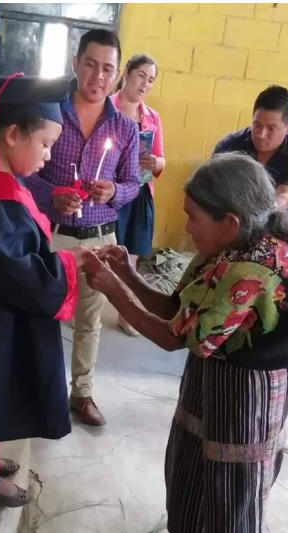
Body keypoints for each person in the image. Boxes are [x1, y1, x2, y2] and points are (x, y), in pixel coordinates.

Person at [81, 152, 288, 533]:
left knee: (229, 482)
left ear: (230, 221)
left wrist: (112, 290)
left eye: (193, 217)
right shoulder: (223, 249)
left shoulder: (249, 270)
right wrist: (127, 273)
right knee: (203, 467)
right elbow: (175, 309)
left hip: (247, 392)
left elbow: (172, 338)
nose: (187, 227)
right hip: (217, 374)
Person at [0, 73, 89, 507]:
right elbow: (15, 270)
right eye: (44, 143)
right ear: (11, 134)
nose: (48, 155)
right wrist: (70, 263)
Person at [24, 29, 139, 427]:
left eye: (107, 68)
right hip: (52, 234)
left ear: (117, 74)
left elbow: (133, 183)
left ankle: (82, 393)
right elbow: (24, 173)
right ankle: (40, 390)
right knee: (43, 314)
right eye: (90, 65)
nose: (98, 76)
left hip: (99, 238)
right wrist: (51, 195)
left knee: (90, 320)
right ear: (75, 63)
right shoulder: (49, 113)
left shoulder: (124, 129)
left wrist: (114, 192)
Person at [110, 52, 166, 336]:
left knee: (130, 256)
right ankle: (85, 309)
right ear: (127, 73)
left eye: (151, 80)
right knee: (100, 251)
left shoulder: (152, 118)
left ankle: (126, 314)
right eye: (141, 75)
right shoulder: (105, 108)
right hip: (109, 191)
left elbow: (161, 159)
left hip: (139, 192)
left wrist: (156, 163)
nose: (145, 84)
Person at [212, 85, 288, 212]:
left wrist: (260, 213)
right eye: (257, 125)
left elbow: (284, 197)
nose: (261, 135)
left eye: (271, 128)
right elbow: (212, 185)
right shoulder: (230, 146)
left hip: (274, 219)